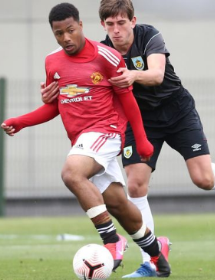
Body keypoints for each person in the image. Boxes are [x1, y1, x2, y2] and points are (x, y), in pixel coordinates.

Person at [40, 0, 215, 278]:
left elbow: (158, 74)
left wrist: (133, 74)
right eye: (110, 24)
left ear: (133, 21)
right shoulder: (103, 53)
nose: (116, 30)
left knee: (202, 179)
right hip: (140, 121)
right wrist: (54, 96)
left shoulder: (150, 35)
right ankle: (150, 260)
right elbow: (87, 87)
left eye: (122, 23)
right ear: (102, 26)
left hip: (177, 111)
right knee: (135, 185)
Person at [1, 3, 172, 277]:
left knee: (71, 173)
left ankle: (111, 241)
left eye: (70, 30)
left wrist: (141, 141)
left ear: (81, 25)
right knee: (117, 204)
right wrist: (20, 121)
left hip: (106, 130)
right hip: (83, 140)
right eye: (59, 33)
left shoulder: (107, 56)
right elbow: (56, 105)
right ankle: (156, 250)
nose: (66, 38)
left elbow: (128, 101)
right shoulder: (52, 62)